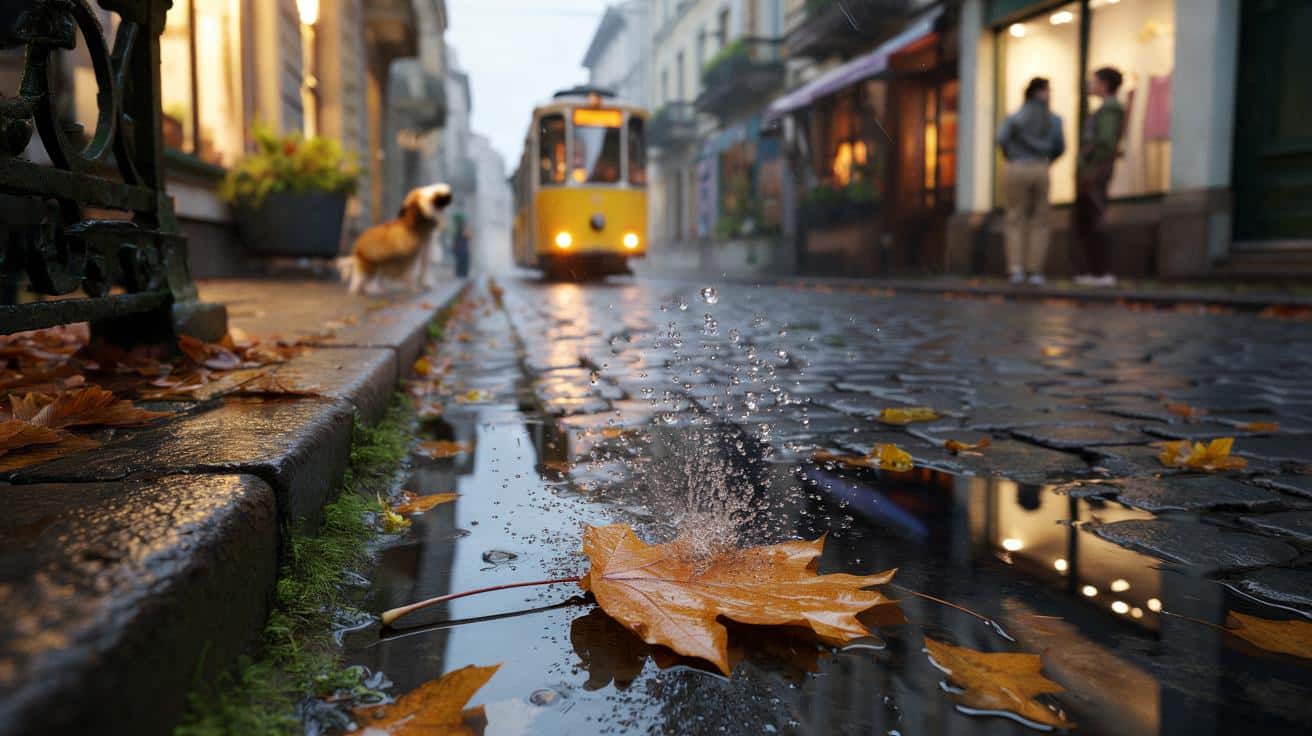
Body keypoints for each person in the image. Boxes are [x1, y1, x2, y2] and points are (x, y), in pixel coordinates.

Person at [997, 77, 1066, 285]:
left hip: (1016, 166)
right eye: (1047, 90)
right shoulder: (1053, 120)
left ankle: (1016, 269)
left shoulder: (1014, 118)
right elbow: (1059, 146)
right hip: (1040, 167)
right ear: (1039, 92)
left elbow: (1001, 138)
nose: (1049, 95)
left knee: (1015, 217)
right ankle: (1035, 270)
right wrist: (1045, 161)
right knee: (1041, 219)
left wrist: (1012, 156)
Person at [1074, 66, 1126, 287]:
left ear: (1104, 84)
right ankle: (1095, 271)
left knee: (1096, 218)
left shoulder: (1110, 109)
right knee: (1089, 218)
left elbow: (1105, 142)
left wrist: (1089, 163)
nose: (1091, 86)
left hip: (1095, 172)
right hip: (1093, 171)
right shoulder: (1106, 109)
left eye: (1094, 81)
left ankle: (1102, 271)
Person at [451, 211, 471, 279]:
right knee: (460, 261)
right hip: (461, 248)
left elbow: (467, 237)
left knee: (462, 261)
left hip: (462, 248)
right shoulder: (459, 229)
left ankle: (461, 274)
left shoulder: (463, 228)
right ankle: (460, 274)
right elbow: (457, 238)